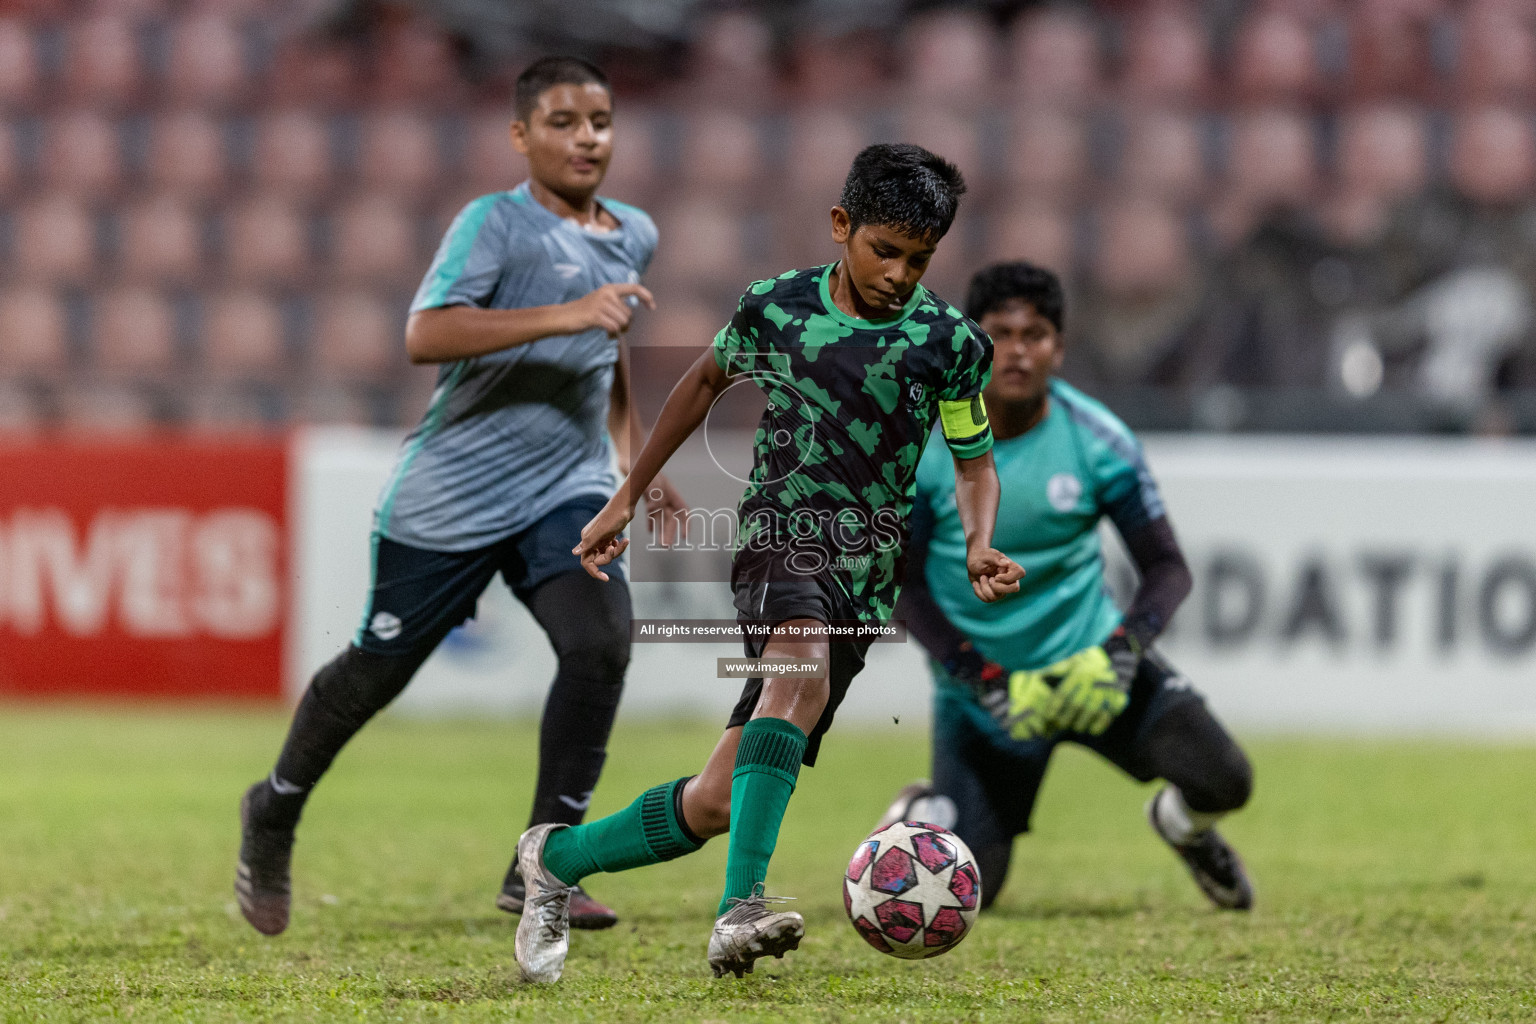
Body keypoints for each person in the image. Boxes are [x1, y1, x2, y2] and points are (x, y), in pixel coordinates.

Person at [510, 143, 1025, 984]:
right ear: (841, 227)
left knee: (715, 801)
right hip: (779, 538)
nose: (898, 272)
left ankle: (555, 861)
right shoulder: (776, 309)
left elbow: (973, 458)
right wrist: (629, 494)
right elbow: (700, 385)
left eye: (918, 258)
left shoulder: (951, 343)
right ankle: (738, 909)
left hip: (866, 574)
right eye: (883, 249)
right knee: (800, 671)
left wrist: (977, 541)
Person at [235, 56, 686, 937]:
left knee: (600, 644)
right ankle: (275, 806)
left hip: (565, 485)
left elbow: (607, 358)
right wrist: (565, 314)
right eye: (562, 121)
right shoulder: (494, 224)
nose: (586, 137)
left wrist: (635, 466)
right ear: (521, 136)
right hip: (455, 494)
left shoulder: (634, 231)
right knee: (376, 671)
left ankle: (544, 860)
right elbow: (424, 333)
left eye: (599, 120)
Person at [880, 261, 1255, 912]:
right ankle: (924, 806)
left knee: (1225, 780)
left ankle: (1180, 828)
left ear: (1060, 345)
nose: (1019, 352)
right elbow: (901, 585)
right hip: (984, 692)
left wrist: (1122, 650)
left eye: (1037, 335)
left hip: (1091, 667)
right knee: (972, 893)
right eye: (1001, 335)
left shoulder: (1099, 441)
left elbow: (1167, 568)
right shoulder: (922, 444)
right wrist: (980, 676)